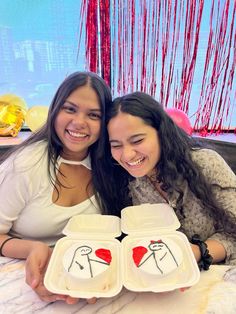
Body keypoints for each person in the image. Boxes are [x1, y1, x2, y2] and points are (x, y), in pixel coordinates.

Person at [0, 71, 112, 304]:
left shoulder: (111, 166)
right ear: (55, 110)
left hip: (86, 275)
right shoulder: (25, 164)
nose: (79, 122)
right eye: (70, 109)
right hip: (18, 283)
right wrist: (32, 249)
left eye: (93, 115)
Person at [96, 91, 236, 269]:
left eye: (137, 140)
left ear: (161, 133)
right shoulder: (123, 182)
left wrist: (195, 252)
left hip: (221, 278)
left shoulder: (205, 163)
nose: (127, 154)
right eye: (116, 145)